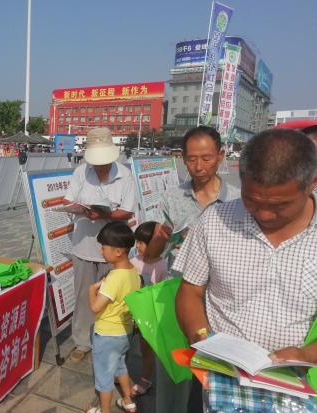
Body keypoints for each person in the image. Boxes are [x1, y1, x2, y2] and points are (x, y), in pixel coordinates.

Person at [174, 129, 317, 406]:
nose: (264, 214)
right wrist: (200, 337)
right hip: (217, 375)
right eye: (252, 200)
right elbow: (190, 290)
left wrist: (307, 355)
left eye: (280, 205)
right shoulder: (214, 221)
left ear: (311, 184)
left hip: (296, 383)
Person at [145, 125, 241, 413]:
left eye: (207, 158)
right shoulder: (172, 198)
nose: (198, 167)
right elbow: (150, 256)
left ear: (220, 156)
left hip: (223, 301)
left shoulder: (239, 201)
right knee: (174, 372)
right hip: (179, 294)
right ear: (183, 158)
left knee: (217, 375)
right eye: (191, 159)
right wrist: (161, 237)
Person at [64, 127, 136, 363]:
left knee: (113, 297)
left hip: (113, 249)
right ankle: (82, 342)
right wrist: (81, 209)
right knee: (84, 296)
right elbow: (69, 200)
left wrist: (104, 215)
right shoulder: (81, 172)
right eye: (96, 163)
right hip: (84, 244)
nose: (99, 167)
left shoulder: (125, 175)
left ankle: (112, 341)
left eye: (103, 162)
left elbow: (127, 211)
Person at [86, 222, 139, 413]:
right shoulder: (133, 271)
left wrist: (91, 289)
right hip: (125, 332)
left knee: (104, 378)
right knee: (120, 366)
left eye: (104, 247)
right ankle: (129, 401)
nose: (101, 251)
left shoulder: (114, 278)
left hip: (107, 335)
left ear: (118, 251)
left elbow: (95, 307)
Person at [129, 221, 168, 397]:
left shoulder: (162, 266)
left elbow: (162, 295)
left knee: (146, 349)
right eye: (137, 241)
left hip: (148, 315)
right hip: (131, 312)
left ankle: (146, 378)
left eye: (142, 242)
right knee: (125, 344)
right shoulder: (134, 261)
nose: (137, 246)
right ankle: (121, 372)